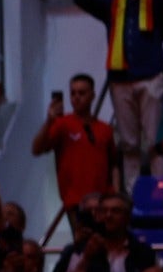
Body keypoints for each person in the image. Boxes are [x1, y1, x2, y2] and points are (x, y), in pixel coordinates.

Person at [74, 0, 163, 188]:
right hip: (121, 81)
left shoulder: (154, 0)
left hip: (151, 76)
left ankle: (159, 192)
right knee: (128, 143)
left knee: (156, 139)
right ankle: (134, 196)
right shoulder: (113, 3)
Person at [30, 74, 116, 219]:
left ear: (92, 95)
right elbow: (36, 149)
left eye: (81, 93)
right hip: (75, 201)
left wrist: (114, 193)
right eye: (73, 93)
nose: (76, 97)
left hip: (103, 200)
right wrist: (49, 121)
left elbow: (113, 165)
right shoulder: (62, 124)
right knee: (82, 239)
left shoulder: (105, 129)